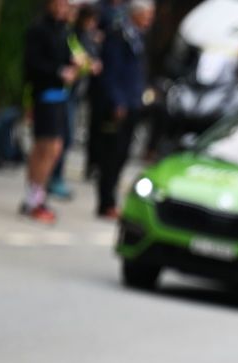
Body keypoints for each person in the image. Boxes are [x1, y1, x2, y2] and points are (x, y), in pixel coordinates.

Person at [96, 0, 154, 219]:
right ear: (135, 14)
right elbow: (111, 71)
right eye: (147, 14)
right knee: (112, 155)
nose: (149, 19)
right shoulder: (119, 35)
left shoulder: (137, 36)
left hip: (133, 102)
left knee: (123, 154)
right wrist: (117, 101)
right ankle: (105, 201)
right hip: (119, 104)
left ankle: (111, 200)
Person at [21, 0, 78, 223]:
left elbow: (66, 57)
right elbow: (32, 64)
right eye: (60, 3)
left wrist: (75, 64)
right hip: (44, 94)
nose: (64, 8)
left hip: (60, 95)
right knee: (47, 147)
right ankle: (35, 199)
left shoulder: (63, 29)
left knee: (52, 148)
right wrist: (59, 71)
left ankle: (34, 196)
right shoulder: (39, 29)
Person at [49, 1, 103, 200]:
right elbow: (74, 59)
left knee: (66, 137)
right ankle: (52, 177)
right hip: (64, 93)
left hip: (76, 93)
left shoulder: (87, 36)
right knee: (61, 137)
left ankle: (55, 176)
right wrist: (88, 65)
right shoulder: (70, 34)